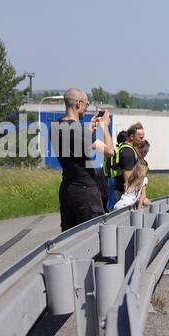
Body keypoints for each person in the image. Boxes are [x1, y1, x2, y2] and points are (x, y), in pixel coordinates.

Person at [56, 87, 114, 231]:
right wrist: (104, 127)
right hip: (85, 193)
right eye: (86, 105)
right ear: (78, 104)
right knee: (92, 236)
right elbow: (109, 151)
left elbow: (76, 146)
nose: (86, 110)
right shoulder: (78, 130)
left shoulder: (56, 126)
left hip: (68, 189)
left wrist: (90, 130)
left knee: (69, 237)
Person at [108, 122, 144, 209]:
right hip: (120, 196)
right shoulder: (128, 153)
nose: (143, 140)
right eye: (140, 137)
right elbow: (128, 182)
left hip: (115, 190)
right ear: (131, 137)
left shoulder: (126, 149)